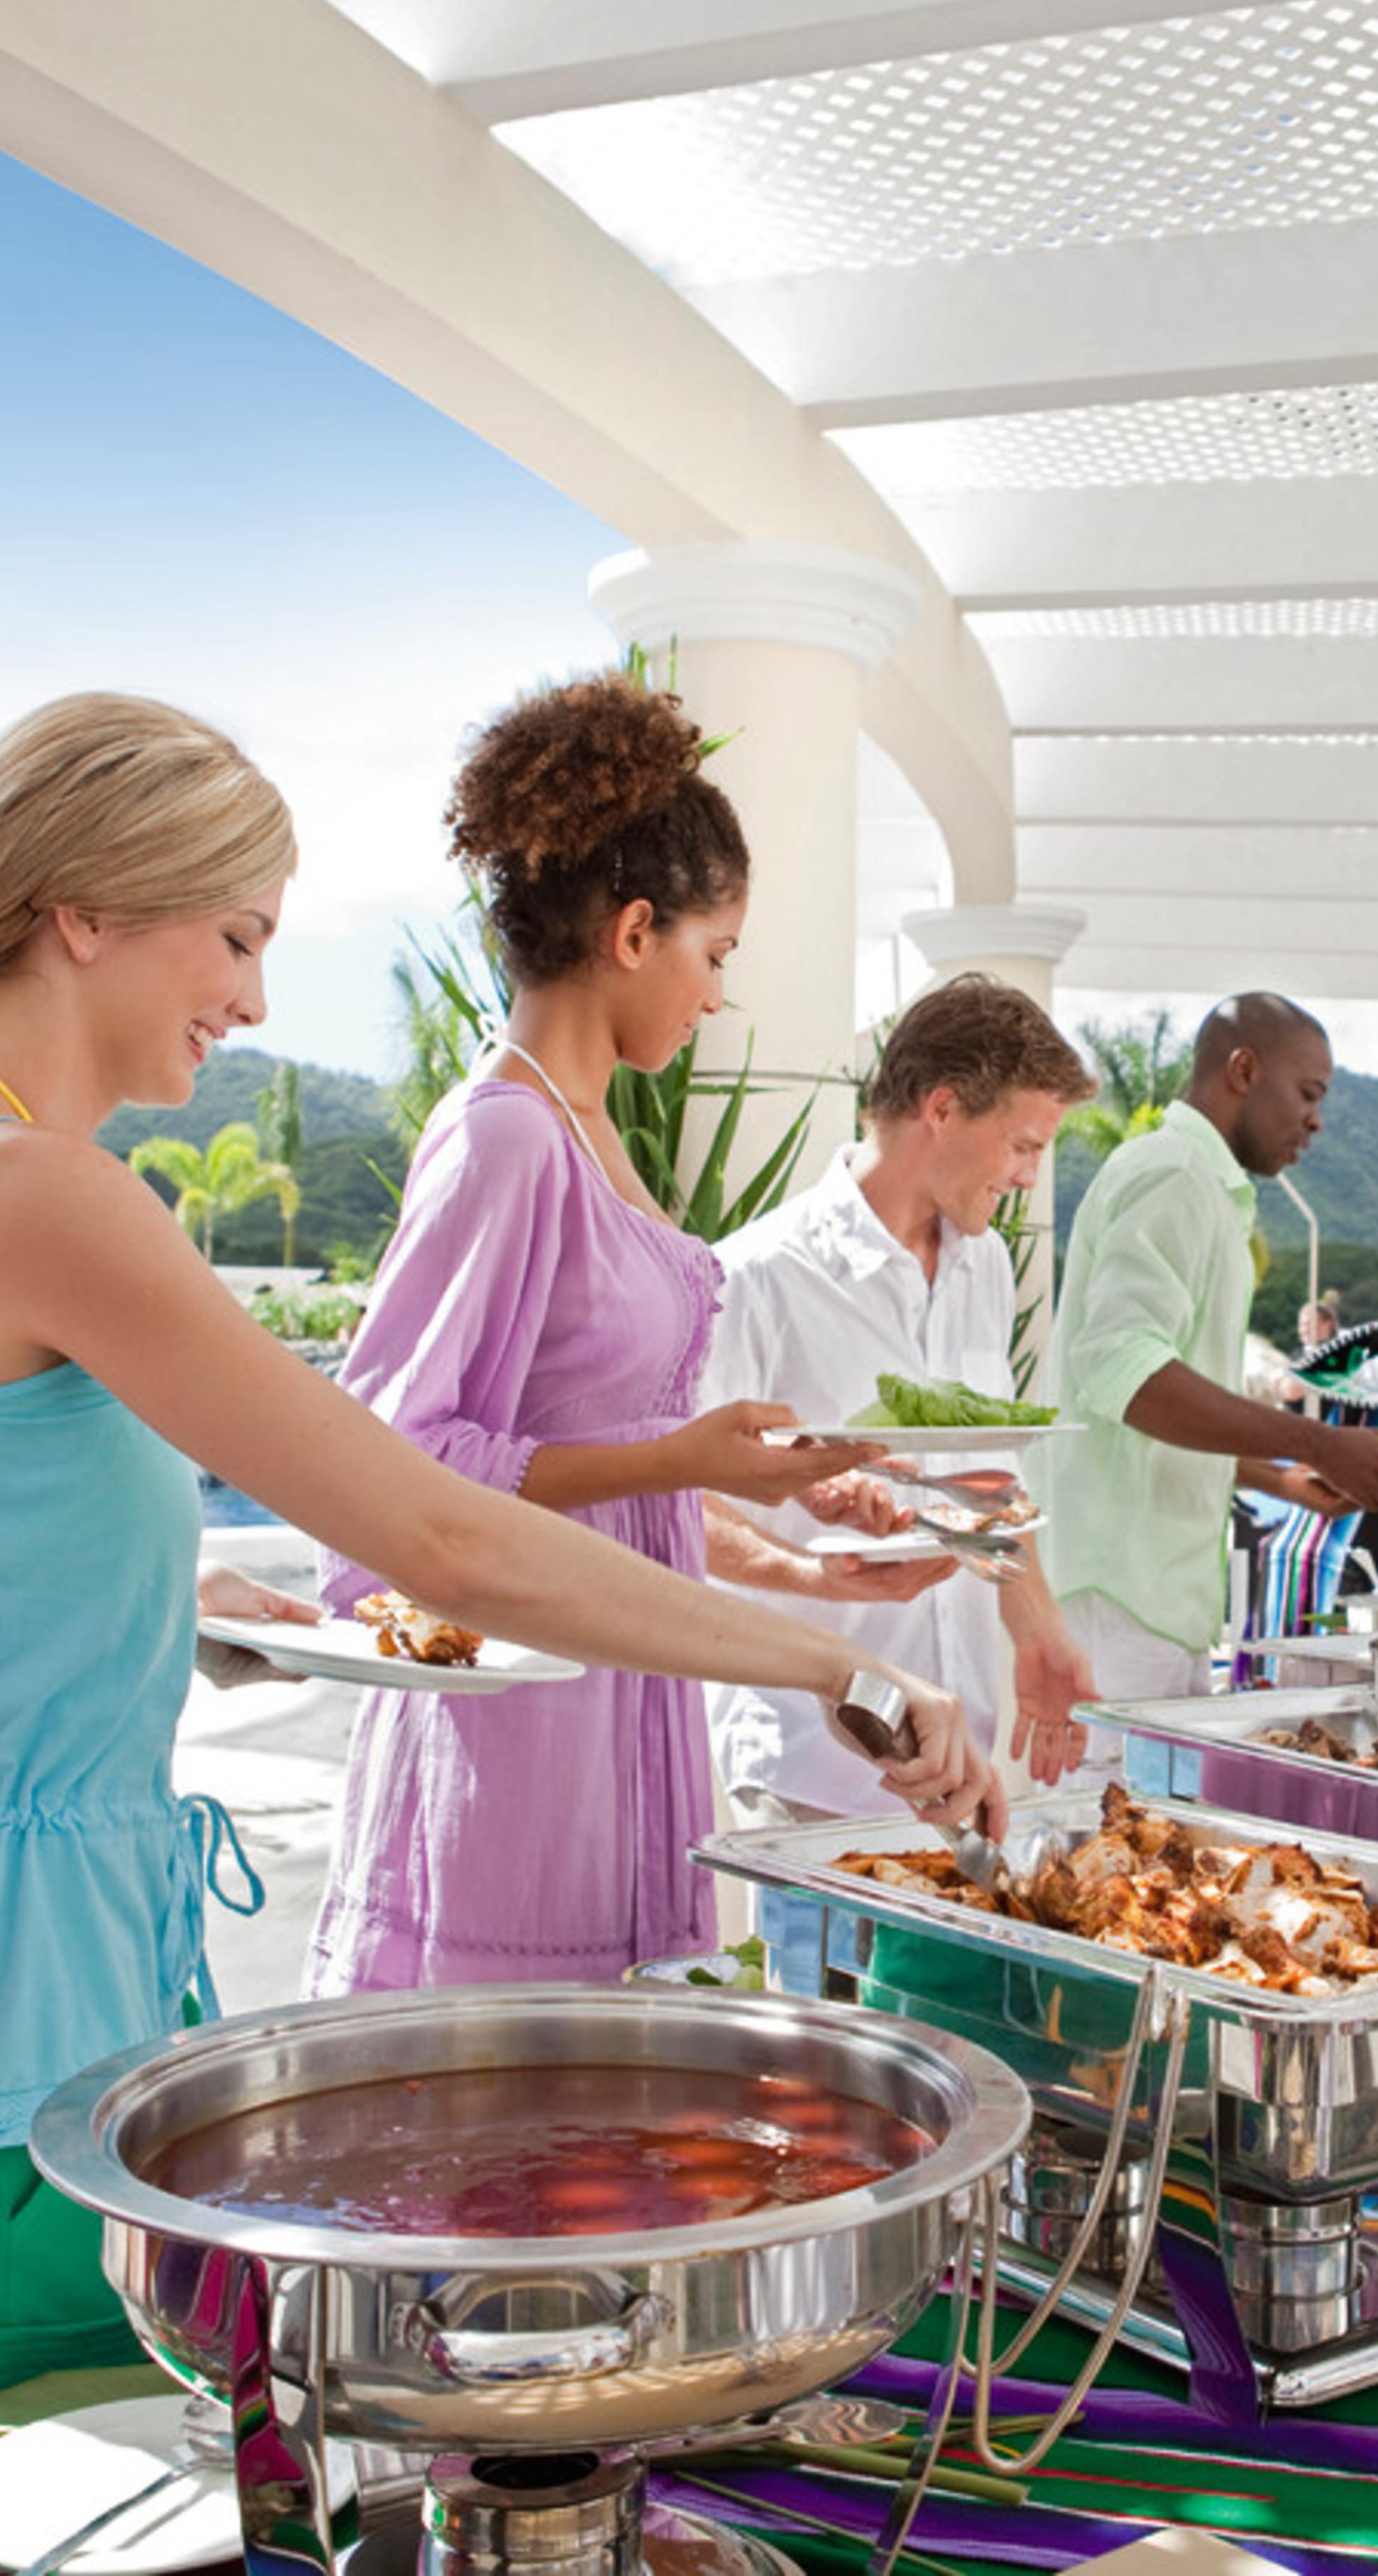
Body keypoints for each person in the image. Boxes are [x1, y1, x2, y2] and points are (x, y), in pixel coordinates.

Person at [0, 692, 997, 2451]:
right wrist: (838, 1665)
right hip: (17, 2048)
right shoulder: (40, 1193)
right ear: (83, 910)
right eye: (233, 937)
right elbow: (437, 1530)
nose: (248, 999)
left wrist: (155, 1611)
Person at [307, 670, 973, 1995]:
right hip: (530, 1735)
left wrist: (794, 1557)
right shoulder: (504, 1136)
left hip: (624, 1687)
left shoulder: (590, 1132)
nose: (717, 994)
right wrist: (684, 1460)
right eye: (714, 953)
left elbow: (582, 1446)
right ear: (631, 933)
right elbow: (397, 1467)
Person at [702, 975, 1103, 1816]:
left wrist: (1036, 1628)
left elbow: (977, 1481)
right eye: (1024, 1146)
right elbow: (675, 1506)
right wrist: (812, 1574)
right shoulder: (756, 1277)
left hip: (958, 1761)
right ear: (945, 1109)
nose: (1031, 1177)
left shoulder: (984, 1266)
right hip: (811, 1760)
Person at [1035, 996, 1378, 1702]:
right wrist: (1317, 1442)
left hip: (1152, 1600)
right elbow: (1125, 1376)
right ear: (1244, 1069)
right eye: (1308, 1094)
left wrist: (1276, 1478)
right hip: (1120, 1598)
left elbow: (1155, 1416)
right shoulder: (1175, 1174)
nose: (1317, 1120)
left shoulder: (1204, 1186)